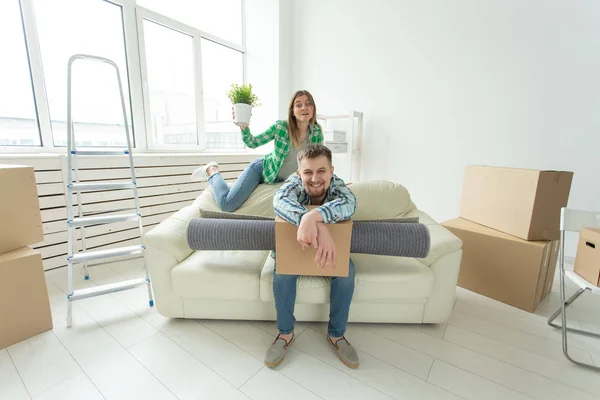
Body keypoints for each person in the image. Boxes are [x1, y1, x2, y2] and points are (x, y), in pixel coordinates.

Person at [265, 143, 359, 369]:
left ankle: (336, 335)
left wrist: (314, 216)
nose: (315, 178)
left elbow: (350, 203)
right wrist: (317, 223)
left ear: (331, 171)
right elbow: (279, 201)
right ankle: (285, 334)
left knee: (348, 272)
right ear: (299, 173)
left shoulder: (337, 186)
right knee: (283, 273)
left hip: (329, 250)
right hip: (293, 248)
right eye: (308, 172)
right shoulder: (293, 184)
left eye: (321, 171)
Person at [190, 90, 324, 212]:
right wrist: (244, 128)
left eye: (308, 104)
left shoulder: (316, 132)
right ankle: (212, 170)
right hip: (261, 170)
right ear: (292, 111)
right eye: (298, 105)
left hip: (281, 179)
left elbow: (317, 162)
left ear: (313, 108)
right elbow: (253, 143)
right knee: (227, 204)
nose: (304, 108)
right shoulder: (281, 127)